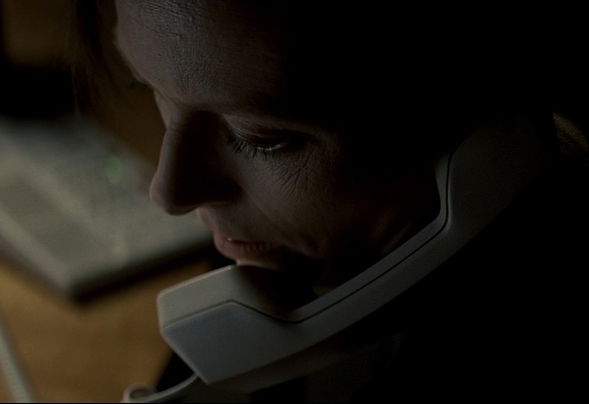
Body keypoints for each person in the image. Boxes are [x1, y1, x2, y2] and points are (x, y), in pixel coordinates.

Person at [72, 1, 588, 401]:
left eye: (261, 138)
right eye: (152, 90)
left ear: (486, 149)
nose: (169, 191)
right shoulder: (279, 249)